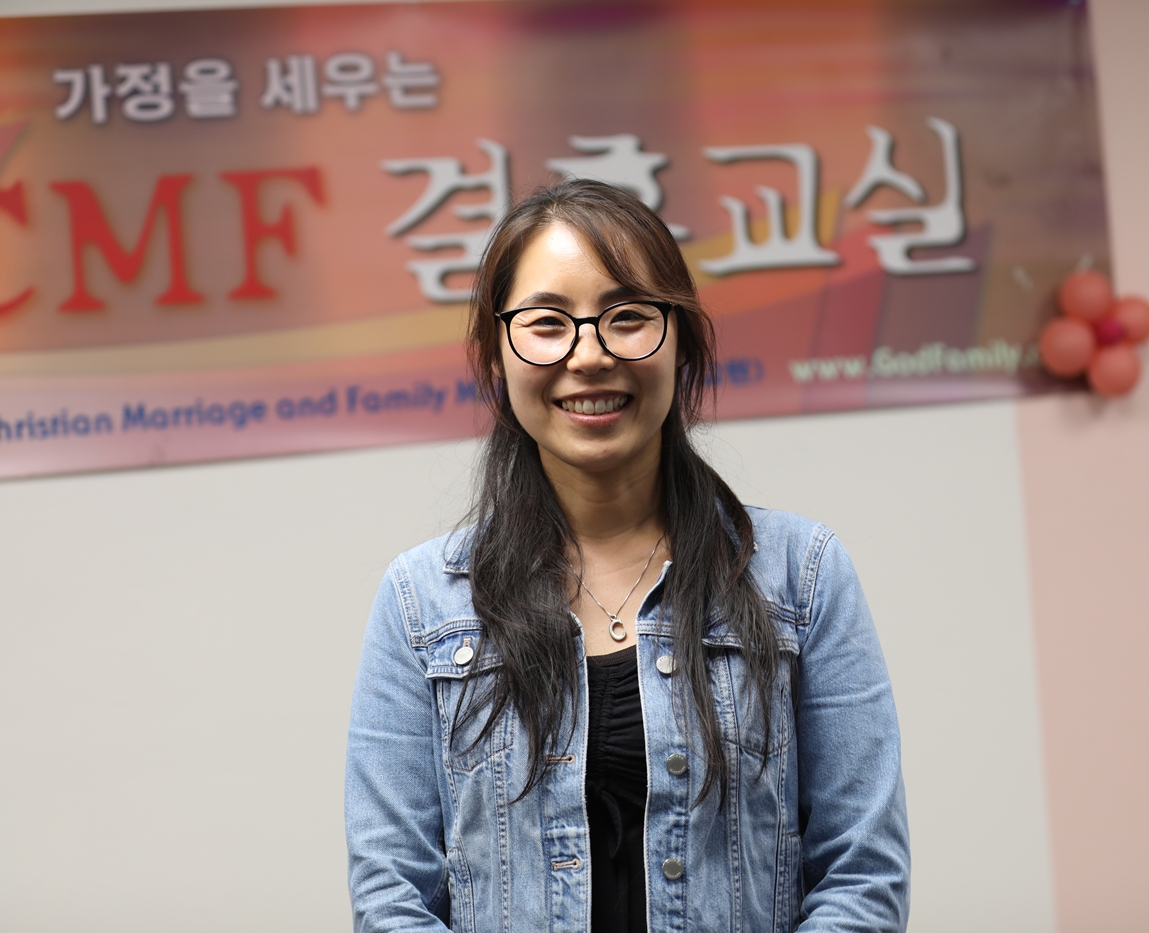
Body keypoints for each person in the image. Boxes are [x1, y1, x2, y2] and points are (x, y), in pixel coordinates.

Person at [345, 178, 909, 933]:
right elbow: (392, 899)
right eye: (547, 323)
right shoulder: (422, 601)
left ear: (682, 342)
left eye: (628, 317)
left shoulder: (802, 576)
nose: (589, 355)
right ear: (495, 356)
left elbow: (862, 878)